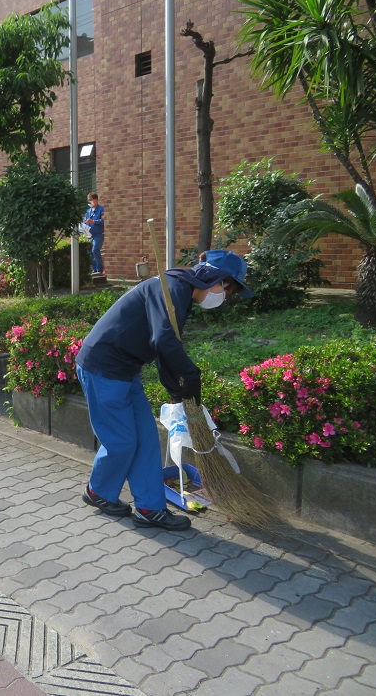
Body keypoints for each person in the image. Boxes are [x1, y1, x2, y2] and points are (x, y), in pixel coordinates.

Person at [75, 250, 254, 532]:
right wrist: (190, 374)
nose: (226, 295)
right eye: (228, 287)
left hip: (126, 369)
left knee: (146, 439)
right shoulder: (172, 288)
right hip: (103, 367)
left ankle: (149, 509)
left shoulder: (179, 292)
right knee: (122, 442)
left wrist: (176, 390)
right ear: (214, 277)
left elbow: (162, 346)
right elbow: (163, 341)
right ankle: (98, 492)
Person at [84, 193, 105, 275]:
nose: (89, 202)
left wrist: (94, 221)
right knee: (90, 252)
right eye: (88, 201)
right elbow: (85, 221)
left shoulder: (101, 209)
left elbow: (103, 220)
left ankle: (99, 269)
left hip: (98, 234)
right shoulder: (88, 211)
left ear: (96, 200)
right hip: (90, 235)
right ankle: (94, 269)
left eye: (91, 200)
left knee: (95, 249)